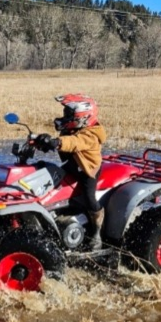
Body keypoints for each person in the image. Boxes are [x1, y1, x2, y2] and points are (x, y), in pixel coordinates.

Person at [34, 93, 107, 249]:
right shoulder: (73, 129)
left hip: (87, 169)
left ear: (83, 117)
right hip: (74, 165)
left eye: (69, 114)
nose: (65, 117)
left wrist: (57, 142)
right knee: (52, 183)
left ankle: (97, 232)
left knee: (89, 198)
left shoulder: (91, 135)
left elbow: (73, 143)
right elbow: (64, 143)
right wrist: (43, 142)